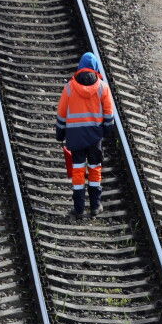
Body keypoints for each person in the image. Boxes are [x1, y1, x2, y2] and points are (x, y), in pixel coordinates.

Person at [56, 52, 114, 219]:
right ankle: (95, 206)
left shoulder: (69, 88)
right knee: (95, 168)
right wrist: (104, 132)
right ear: (95, 68)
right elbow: (109, 115)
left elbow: (61, 114)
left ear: (80, 67)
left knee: (78, 170)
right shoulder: (103, 88)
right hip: (94, 137)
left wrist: (60, 134)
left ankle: (79, 209)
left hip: (75, 138)